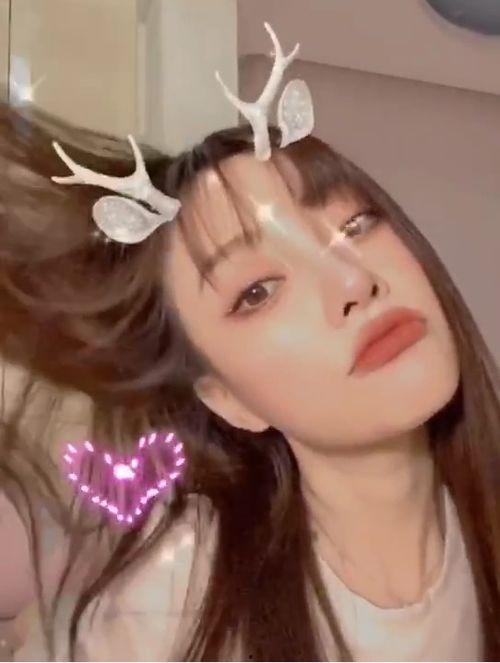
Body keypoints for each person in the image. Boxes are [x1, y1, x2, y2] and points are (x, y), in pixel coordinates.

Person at [0, 26, 499, 661]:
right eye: (257, 291)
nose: (354, 281)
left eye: (355, 224)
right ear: (225, 397)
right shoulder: (174, 602)